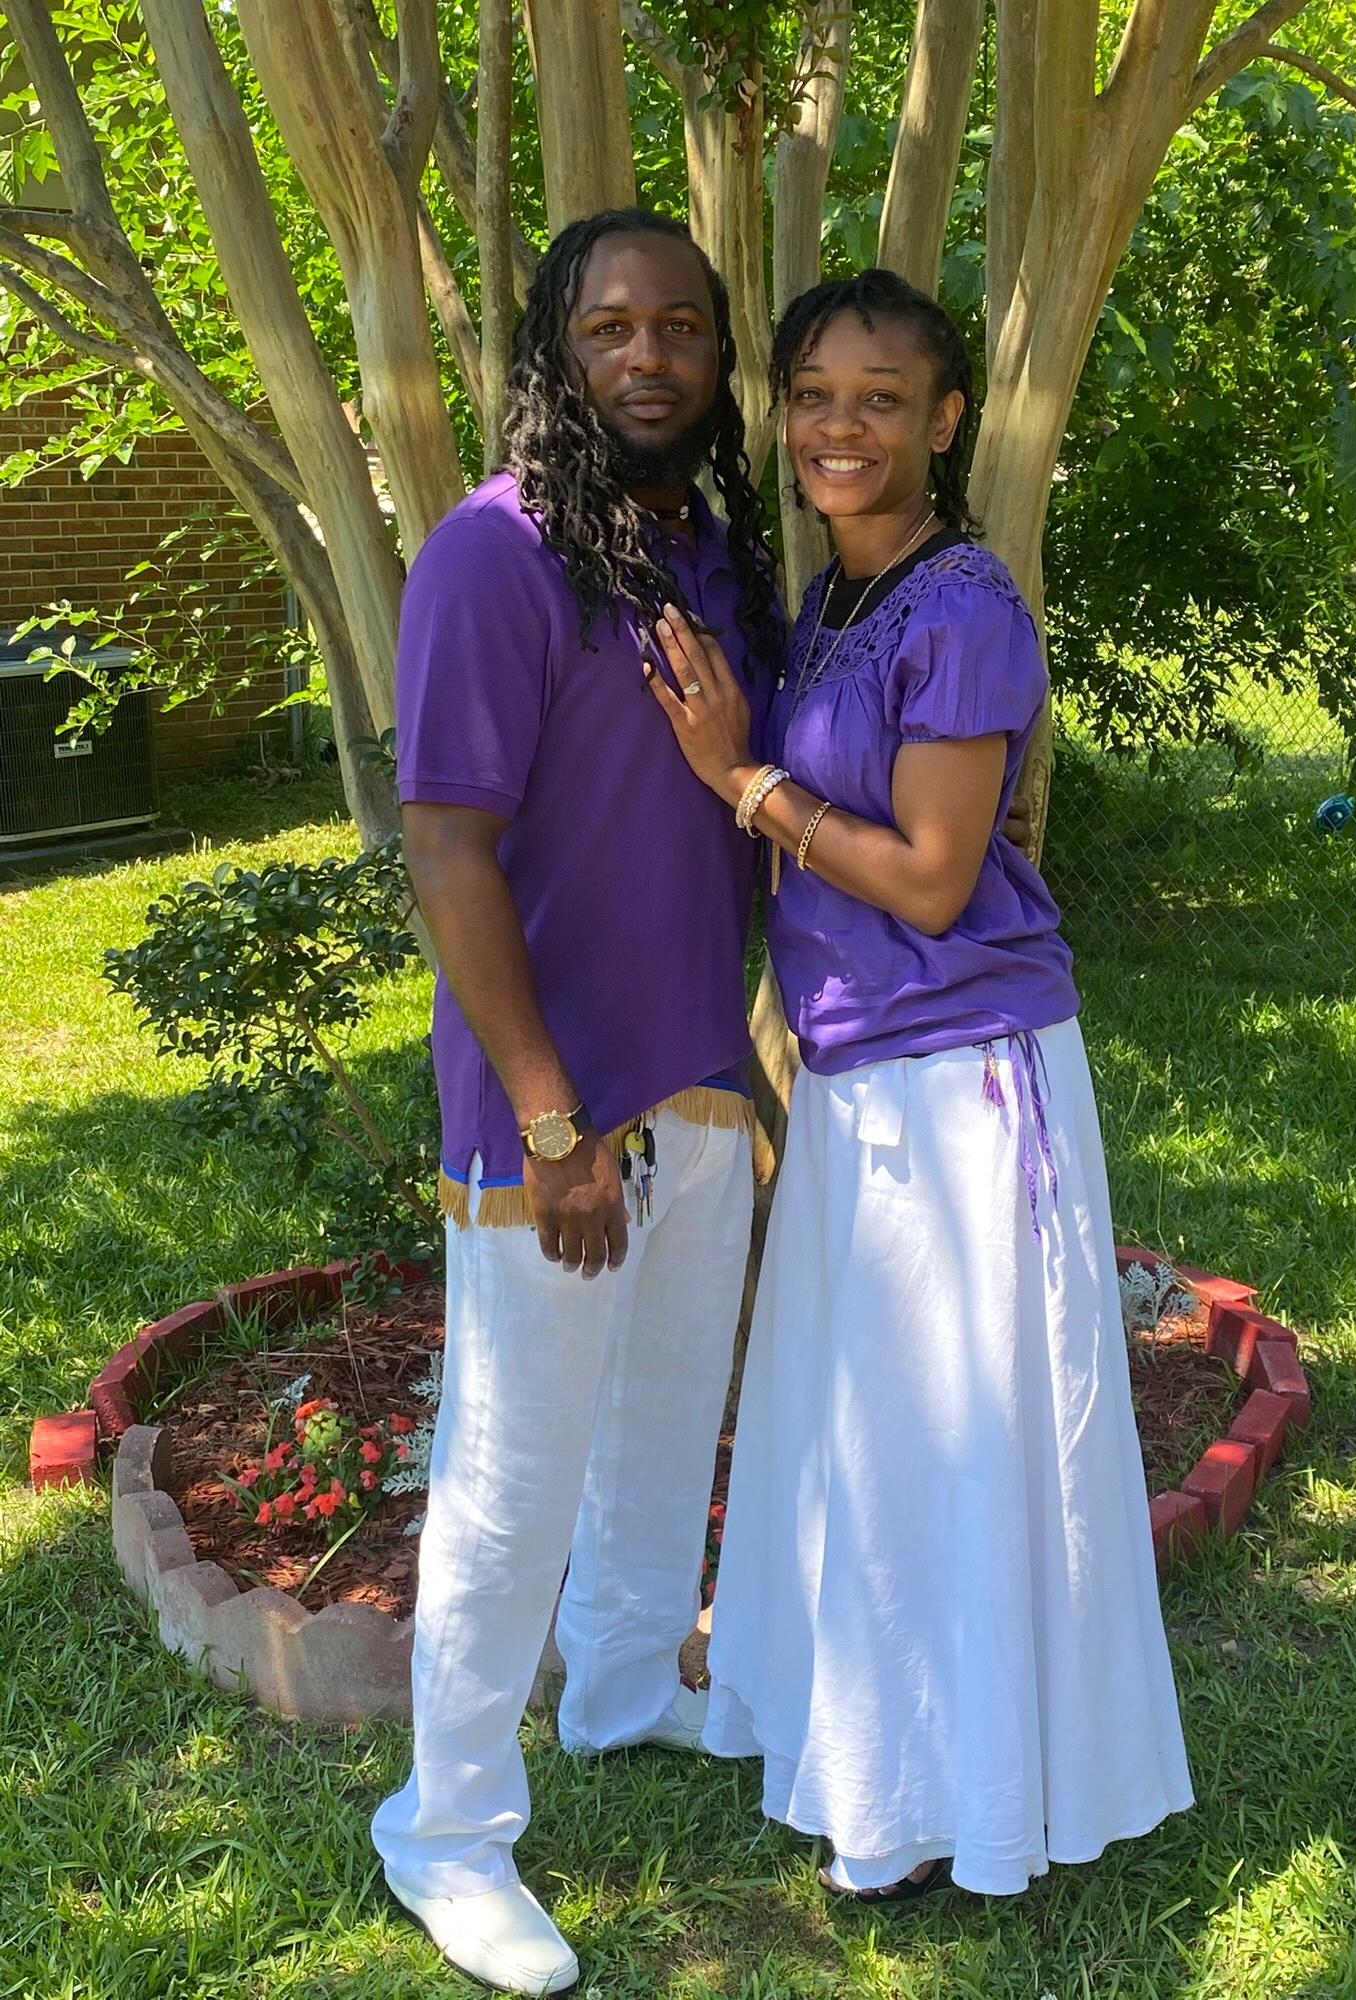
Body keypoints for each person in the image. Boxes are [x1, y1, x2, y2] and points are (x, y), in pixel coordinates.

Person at [646, 267, 1193, 1902]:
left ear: (945, 420)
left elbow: (939, 881)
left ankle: (951, 1801)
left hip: (962, 1081)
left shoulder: (961, 606)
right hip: (859, 1069)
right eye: (814, 396)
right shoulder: (835, 597)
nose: (841, 426)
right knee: (864, 1432)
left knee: (945, 1445)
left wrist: (744, 780)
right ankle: (867, 1752)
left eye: (879, 399)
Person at [371, 208, 782, 1997]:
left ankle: (621, 1690)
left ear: (718, 354)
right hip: (553, 1117)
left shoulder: (708, 551)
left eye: (680, 326)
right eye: (610, 327)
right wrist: (550, 1120)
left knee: (665, 1430)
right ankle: (446, 1828)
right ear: (557, 349)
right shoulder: (494, 552)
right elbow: (445, 849)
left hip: (699, 1081)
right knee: (512, 1475)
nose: (648, 356)